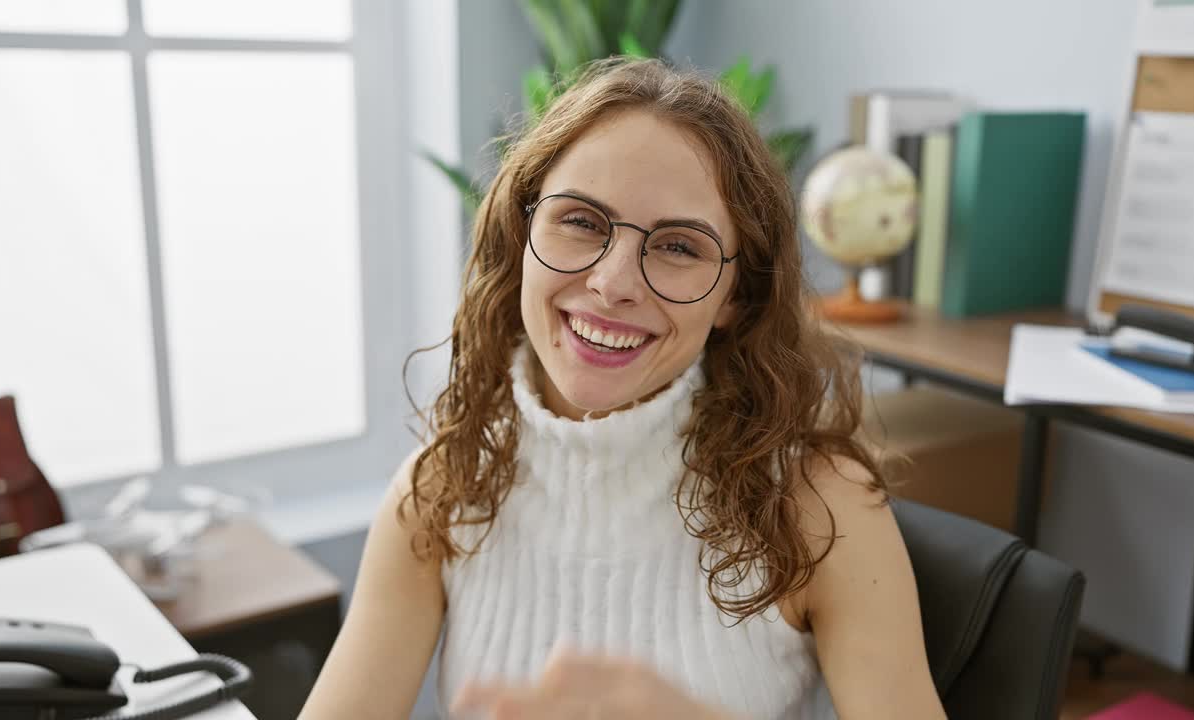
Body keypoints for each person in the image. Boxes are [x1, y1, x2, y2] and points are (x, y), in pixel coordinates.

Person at [300, 57, 946, 720]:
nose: (613, 284)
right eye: (580, 221)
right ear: (522, 232)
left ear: (734, 296)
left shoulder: (819, 504)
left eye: (678, 247)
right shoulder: (440, 487)